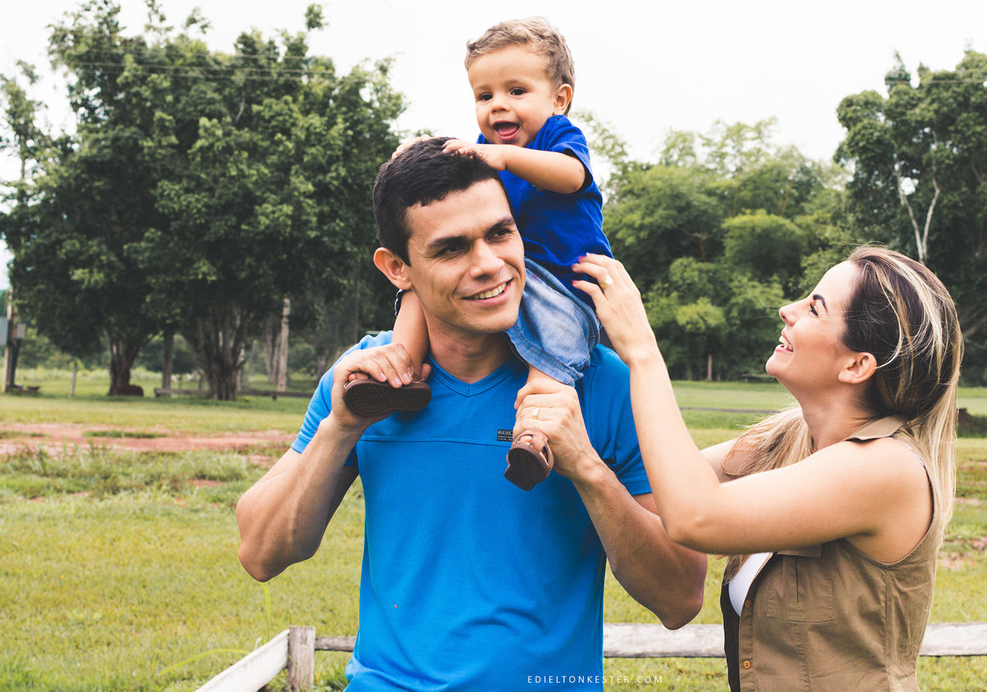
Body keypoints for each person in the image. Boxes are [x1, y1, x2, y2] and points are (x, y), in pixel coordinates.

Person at [235, 139, 706, 691]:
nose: (489, 265)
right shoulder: (367, 382)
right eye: (452, 249)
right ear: (397, 269)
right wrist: (340, 428)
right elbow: (262, 553)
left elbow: (680, 599)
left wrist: (587, 469)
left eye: (501, 234)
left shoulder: (603, 384)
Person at [574, 246, 962, 692]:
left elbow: (693, 515)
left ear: (857, 365)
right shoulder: (784, 441)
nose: (787, 310)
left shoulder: (887, 469)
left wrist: (642, 352)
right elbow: (664, 489)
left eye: (814, 309)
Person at [348, 19, 610, 491]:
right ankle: (401, 371)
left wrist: (505, 160)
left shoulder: (558, 139)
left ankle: (533, 437)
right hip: (508, 270)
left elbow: (572, 177)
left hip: (563, 279)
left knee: (552, 354)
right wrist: (417, 148)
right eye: (484, 96)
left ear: (559, 98)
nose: (498, 106)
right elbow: (447, 169)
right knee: (418, 290)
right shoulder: (487, 150)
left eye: (516, 90)